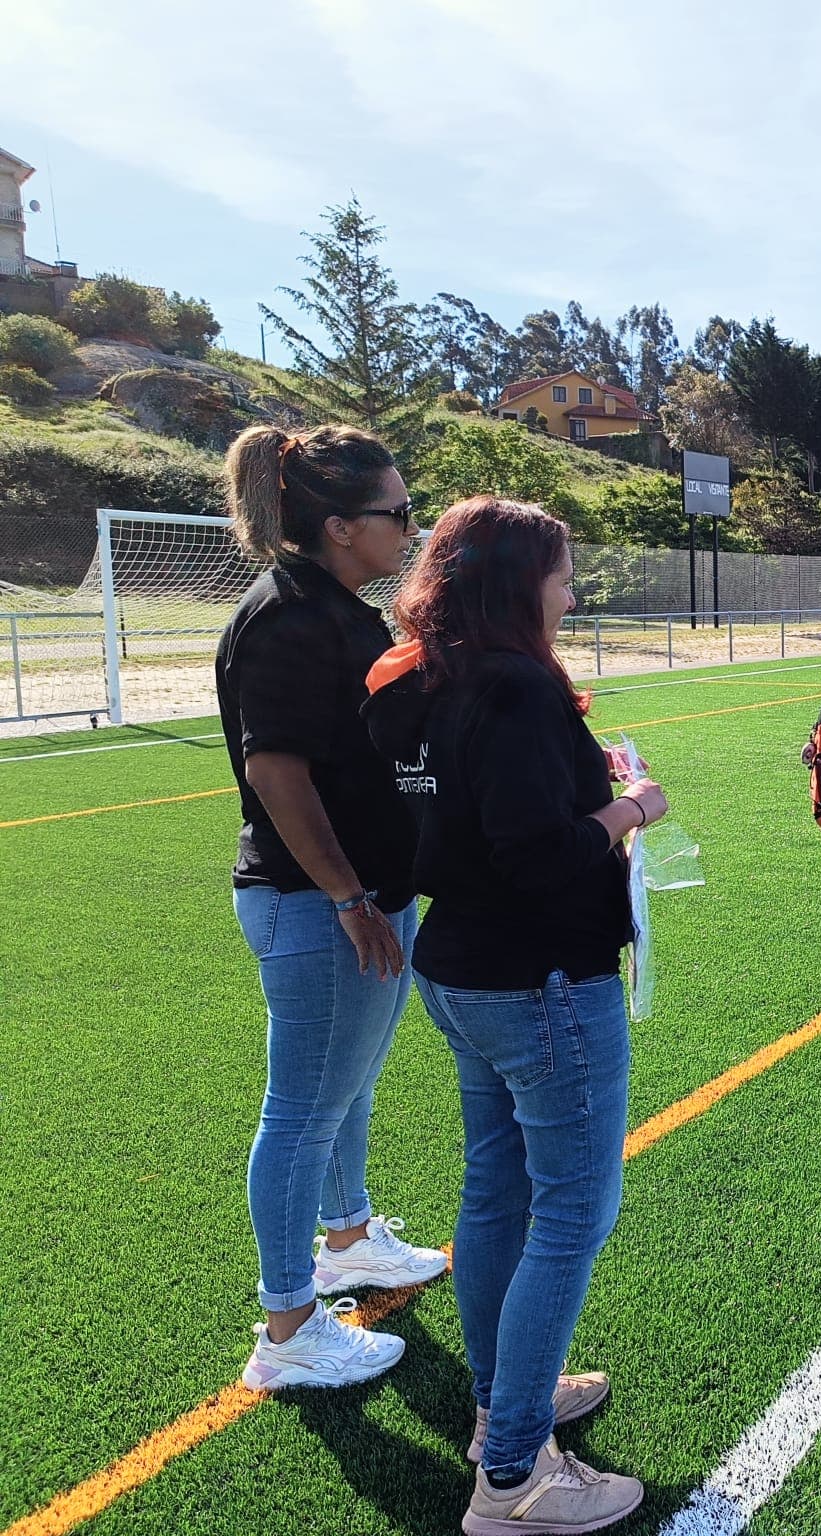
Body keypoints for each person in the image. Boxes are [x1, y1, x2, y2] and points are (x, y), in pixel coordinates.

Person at [363, 497, 665, 1534]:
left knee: (496, 1193)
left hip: (460, 965)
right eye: (559, 569)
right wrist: (630, 806)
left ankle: (503, 1407)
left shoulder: (420, 680)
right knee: (572, 1210)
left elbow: (472, 825)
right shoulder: (513, 687)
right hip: (536, 976)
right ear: (512, 582)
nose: (572, 589)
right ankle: (512, 1479)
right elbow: (540, 852)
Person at [215, 424, 448, 1394]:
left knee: (341, 1093)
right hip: (317, 906)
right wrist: (349, 894)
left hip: (362, 900)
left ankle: (348, 1239)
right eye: (397, 514)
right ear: (342, 526)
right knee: (301, 1111)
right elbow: (276, 771)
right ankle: (288, 1327)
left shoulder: (341, 608)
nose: (410, 528)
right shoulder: (287, 618)